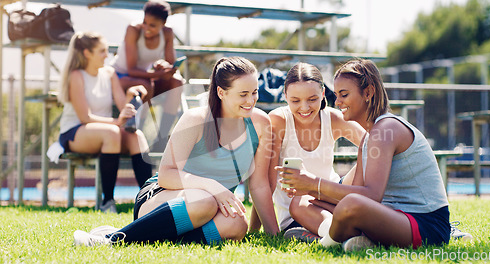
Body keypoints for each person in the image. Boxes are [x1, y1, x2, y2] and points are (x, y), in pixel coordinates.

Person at [73, 56, 280, 246]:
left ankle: (145, 237)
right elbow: (166, 175)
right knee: (203, 200)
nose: (251, 100)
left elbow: (260, 184)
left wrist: (273, 235)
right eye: (243, 94)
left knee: (237, 223)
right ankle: (113, 240)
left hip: (210, 208)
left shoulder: (261, 123)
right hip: (162, 199)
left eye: (254, 92)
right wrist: (212, 187)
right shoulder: (196, 119)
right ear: (221, 92)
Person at [278, 59, 451, 251]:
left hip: (424, 225)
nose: (338, 102)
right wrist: (309, 190)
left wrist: (314, 183)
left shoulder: (387, 128)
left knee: (352, 204)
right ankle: (350, 239)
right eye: (336, 95)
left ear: (368, 93)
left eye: (344, 95)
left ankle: (325, 242)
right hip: (392, 216)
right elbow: (356, 192)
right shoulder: (369, 138)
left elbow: (371, 196)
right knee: (301, 202)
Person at [249, 63, 365, 241]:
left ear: (323, 94)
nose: (304, 108)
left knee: (369, 157)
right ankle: (338, 234)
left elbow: (372, 145)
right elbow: (266, 182)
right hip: (299, 213)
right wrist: (256, 231)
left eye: (312, 99)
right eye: (296, 101)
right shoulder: (278, 121)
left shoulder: (332, 118)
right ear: (285, 96)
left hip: (332, 200)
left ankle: (335, 234)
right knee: (301, 199)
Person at [58, 32, 152, 213]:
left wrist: (131, 94)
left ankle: (148, 200)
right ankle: (108, 202)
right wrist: (117, 122)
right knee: (113, 133)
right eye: (101, 51)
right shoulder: (76, 75)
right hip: (74, 132)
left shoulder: (109, 73)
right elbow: (85, 117)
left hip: (109, 131)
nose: (106, 55)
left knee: (137, 137)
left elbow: (122, 105)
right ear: (87, 53)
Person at [110, 0, 184, 150]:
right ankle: (138, 132)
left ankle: (162, 138)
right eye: (145, 22)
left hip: (143, 77)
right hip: (119, 77)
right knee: (144, 85)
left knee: (177, 82)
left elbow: (170, 65)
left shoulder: (168, 33)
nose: (146, 28)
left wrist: (164, 66)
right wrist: (157, 73)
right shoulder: (133, 29)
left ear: (163, 24)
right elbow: (131, 70)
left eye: (152, 25)